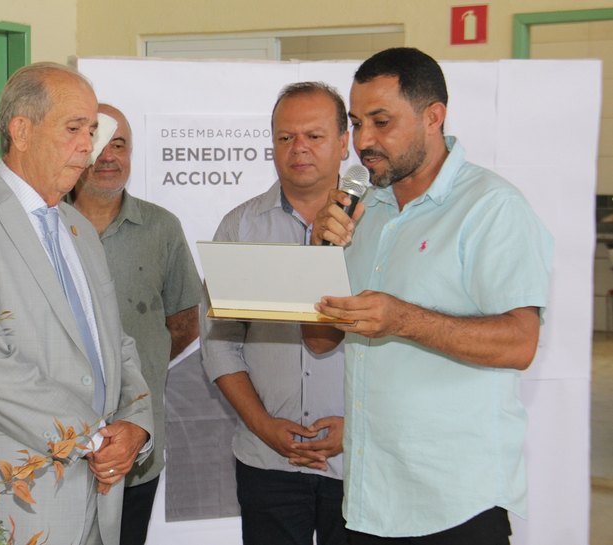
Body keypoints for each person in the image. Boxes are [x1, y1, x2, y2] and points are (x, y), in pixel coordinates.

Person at [307, 48, 553, 544]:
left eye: (381, 122)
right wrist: (317, 256)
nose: (363, 142)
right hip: (367, 498)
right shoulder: (361, 209)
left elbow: (520, 343)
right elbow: (318, 341)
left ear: (433, 117)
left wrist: (403, 320)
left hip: (455, 503)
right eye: (356, 124)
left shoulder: (491, 207)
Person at [0, 62, 154, 545]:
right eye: (74, 129)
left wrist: (136, 427)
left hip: (97, 490)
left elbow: (117, 344)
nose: (90, 145)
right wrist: (94, 440)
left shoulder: (78, 229)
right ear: (21, 130)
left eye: (92, 130)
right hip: (7, 498)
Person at [200, 81, 350, 545]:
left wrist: (361, 426)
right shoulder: (240, 227)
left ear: (345, 143)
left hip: (360, 460)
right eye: (285, 137)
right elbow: (219, 344)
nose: (298, 148)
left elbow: (406, 348)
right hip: (267, 461)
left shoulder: (382, 226)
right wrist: (262, 425)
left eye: (314, 135)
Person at [66, 103, 203, 545]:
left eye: (119, 144)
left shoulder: (162, 228)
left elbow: (184, 320)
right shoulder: (46, 225)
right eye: (98, 144)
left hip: (135, 440)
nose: (108, 156)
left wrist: (138, 370)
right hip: (54, 439)